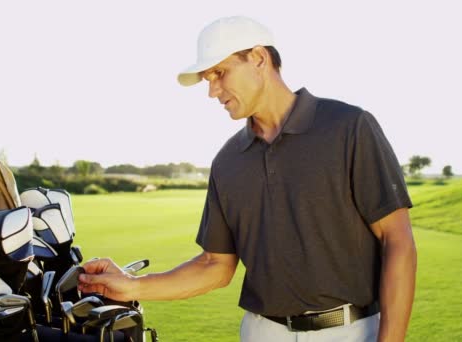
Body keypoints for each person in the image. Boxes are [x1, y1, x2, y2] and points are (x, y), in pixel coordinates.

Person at [78, 16, 417, 342]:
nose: (212, 90)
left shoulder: (349, 127)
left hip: (351, 331)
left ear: (258, 58)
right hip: (262, 333)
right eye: (209, 79)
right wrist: (132, 285)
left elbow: (397, 241)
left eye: (220, 73)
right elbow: (216, 265)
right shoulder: (228, 161)